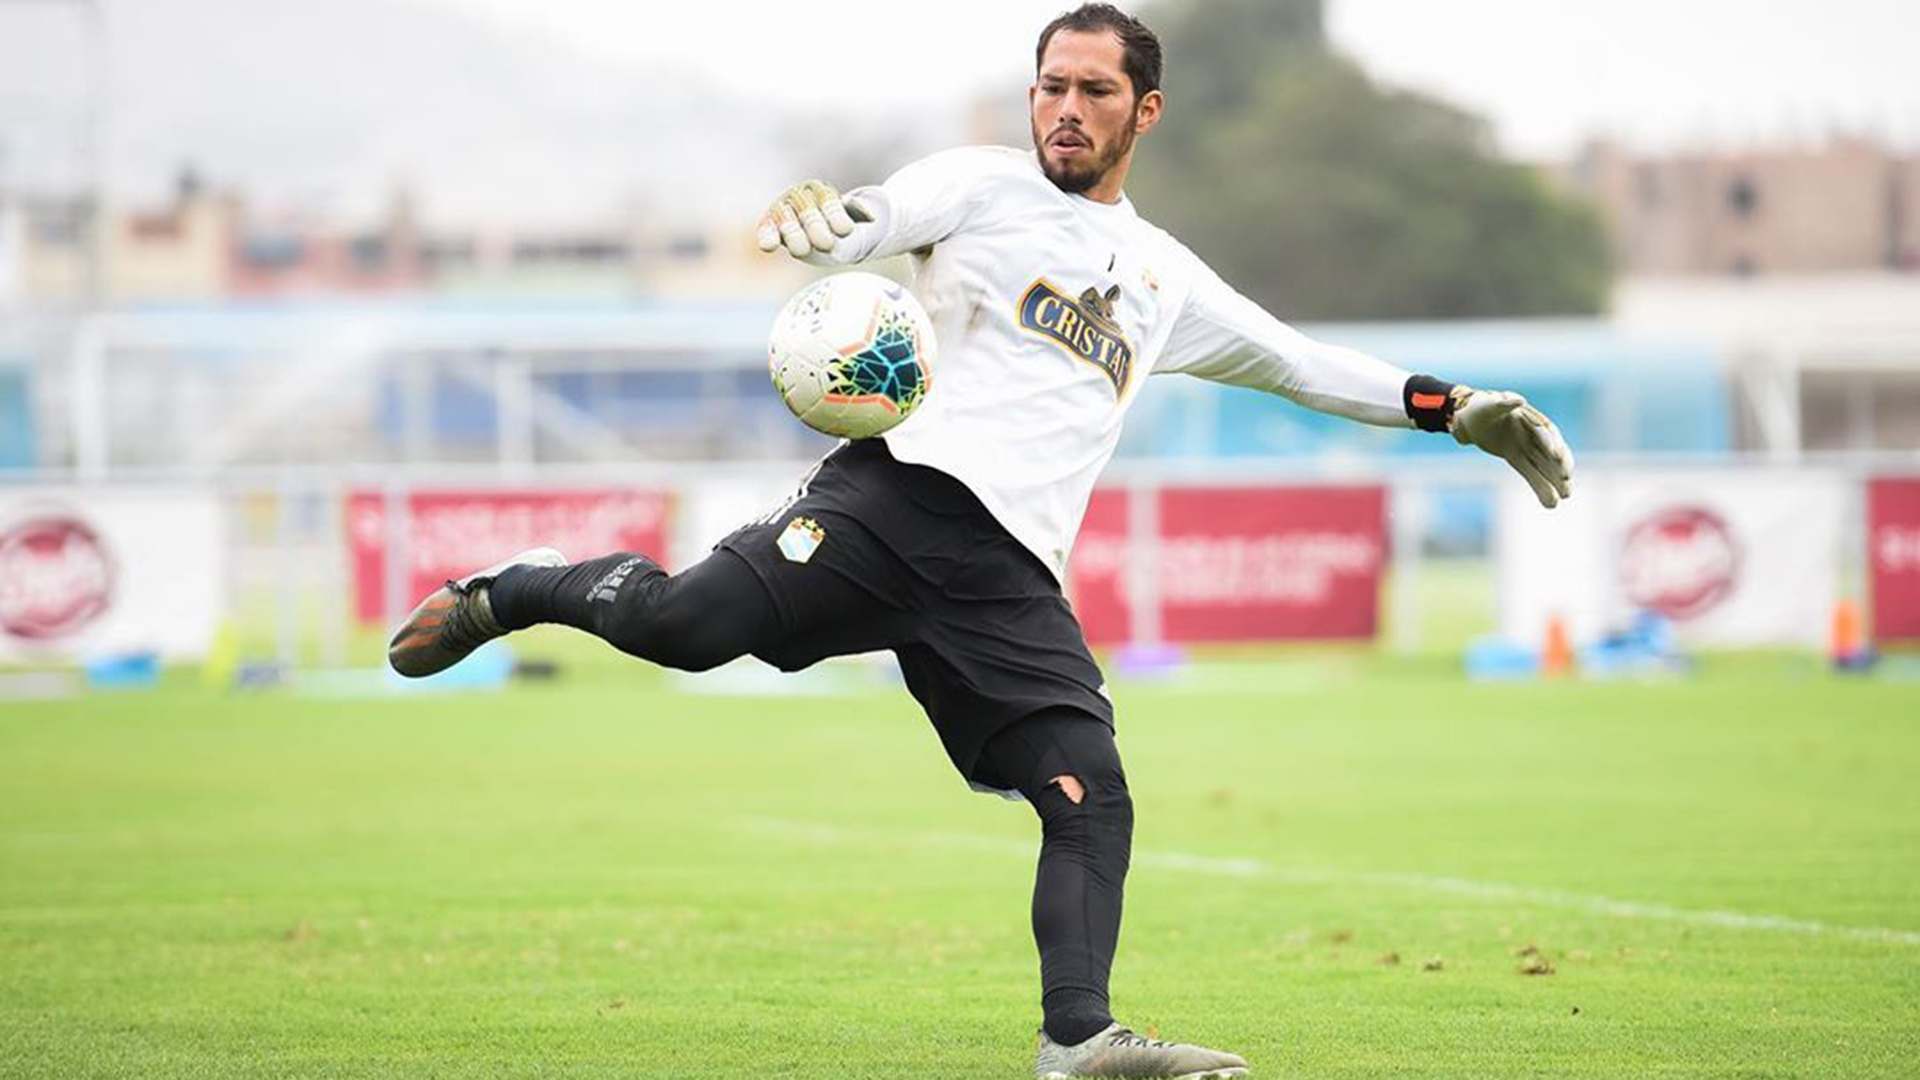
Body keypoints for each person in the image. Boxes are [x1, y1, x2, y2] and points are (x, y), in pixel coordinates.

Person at [388, 4, 1574, 1076]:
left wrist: (1452, 406)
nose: (1066, 108)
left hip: (1008, 579)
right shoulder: (983, 184)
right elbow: (878, 216)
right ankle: (520, 589)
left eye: (1095, 91)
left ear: (1144, 111)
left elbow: (1302, 363)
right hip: (887, 502)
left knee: (1091, 794)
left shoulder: (1164, 278)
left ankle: (1080, 1041)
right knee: (682, 629)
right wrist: (829, 224)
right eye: (1051, 85)